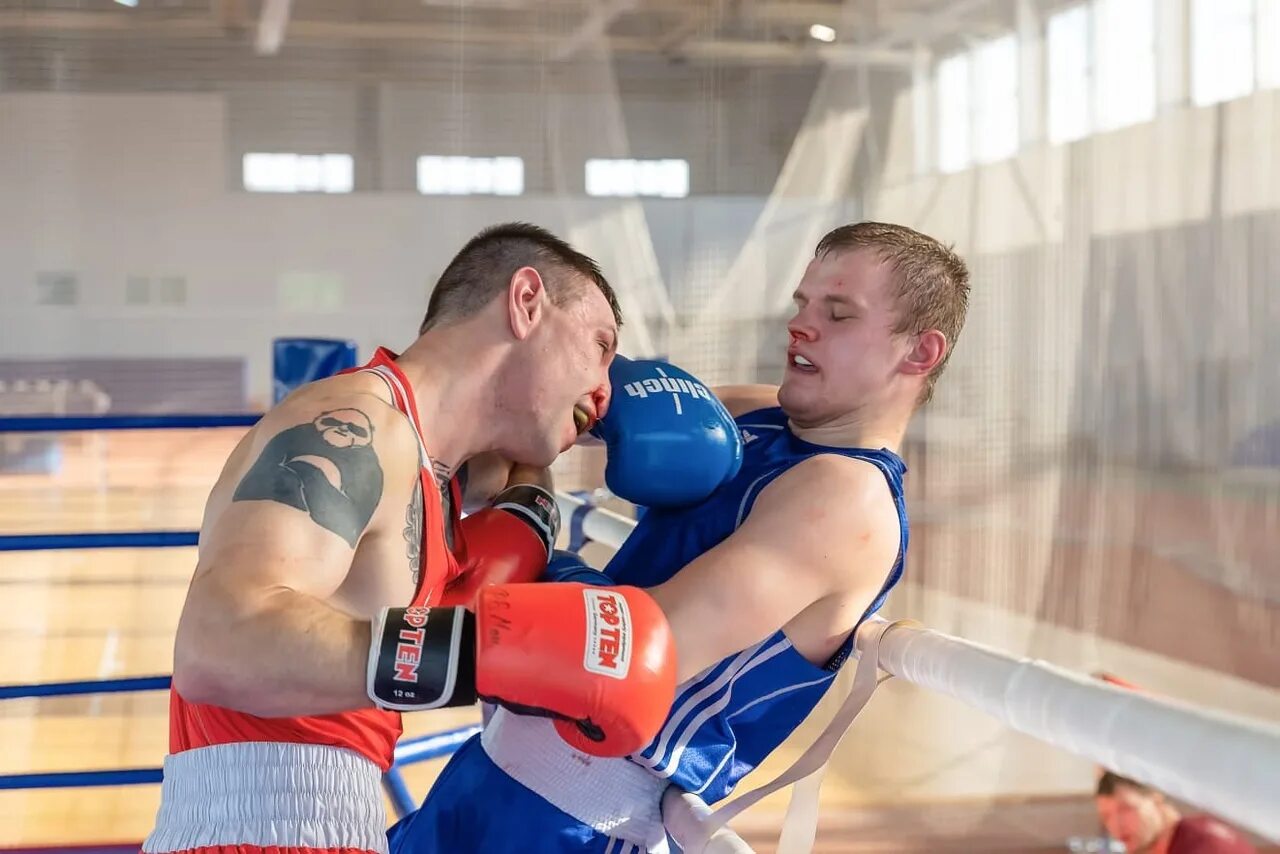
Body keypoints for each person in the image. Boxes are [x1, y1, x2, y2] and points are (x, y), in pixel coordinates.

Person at [388, 221, 972, 852]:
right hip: (488, 778)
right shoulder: (758, 417)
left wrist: (527, 529)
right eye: (802, 304)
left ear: (919, 353)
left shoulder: (850, 500)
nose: (801, 326)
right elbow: (537, 404)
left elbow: (623, 653)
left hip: (574, 824)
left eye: (839, 313)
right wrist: (515, 462)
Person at [142, 222, 683, 854]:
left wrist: (550, 454)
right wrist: (491, 654)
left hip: (333, 818)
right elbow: (218, 645)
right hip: (252, 829)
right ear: (527, 301)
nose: (605, 388)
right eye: (599, 346)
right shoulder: (357, 427)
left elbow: (506, 478)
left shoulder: (434, 475)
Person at [1095, 772, 1258, 854]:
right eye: (1106, 816)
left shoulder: (1201, 845)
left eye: (1127, 810)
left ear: (1156, 800)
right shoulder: (1192, 834)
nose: (1117, 825)